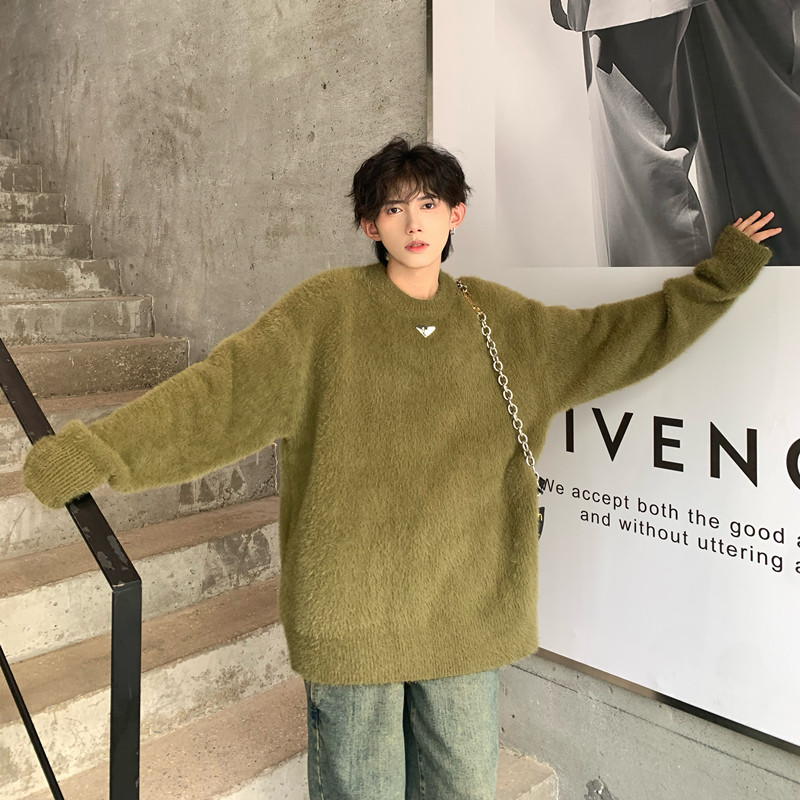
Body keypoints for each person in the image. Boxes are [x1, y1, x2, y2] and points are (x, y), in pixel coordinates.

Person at [22, 137, 781, 800]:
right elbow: (220, 395)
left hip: (465, 608)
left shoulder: (500, 321)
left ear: (456, 215)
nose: (412, 222)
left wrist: (721, 277)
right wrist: (101, 451)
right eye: (392, 208)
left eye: (428, 204)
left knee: (462, 787)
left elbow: (618, 336)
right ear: (369, 225)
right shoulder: (325, 313)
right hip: (350, 609)